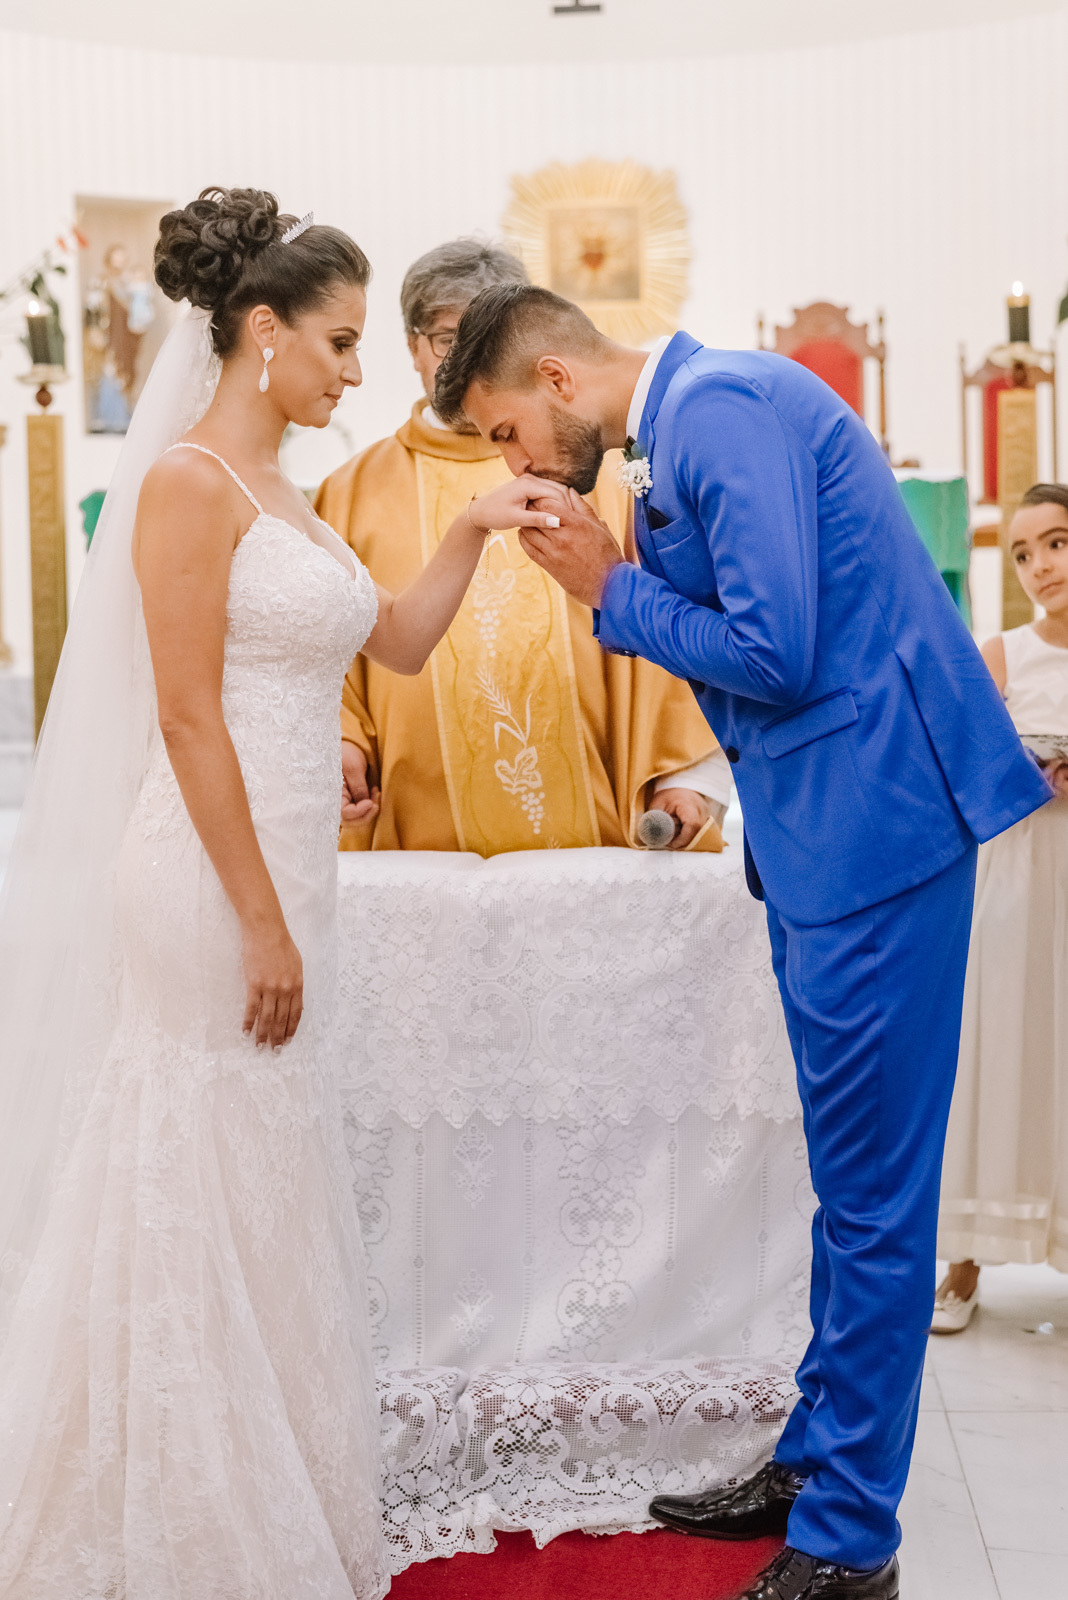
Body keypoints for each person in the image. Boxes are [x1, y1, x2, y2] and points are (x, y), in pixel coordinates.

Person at [431, 285, 1052, 1600]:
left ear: (555, 375)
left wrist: (612, 587)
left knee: (879, 1201)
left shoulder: (719, 412)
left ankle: (852, 1540)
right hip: (832, 833)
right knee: (849, 1186)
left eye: (503, 432)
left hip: (878, 826)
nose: (514, 464)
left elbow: (776, 651)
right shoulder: (700, 419)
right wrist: (629, 577)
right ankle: (821, 1456)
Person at [0, 189, 563, 1599]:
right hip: (207, 879)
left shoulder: (288, 497)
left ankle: (260, 1467)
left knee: (258, 1166)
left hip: (284, 861)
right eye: (339, 341)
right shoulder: (190, 482)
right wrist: (258, 916)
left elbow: (396, 644)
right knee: (189, 1153)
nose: (357, 372)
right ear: (261, 334)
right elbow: (190, 720)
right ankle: (172, 1506)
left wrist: (482, 523)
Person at [316, 238, 728, 855]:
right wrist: (343, 740)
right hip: (415, 832)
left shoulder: (600, 475)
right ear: (410, 347)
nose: (466, 364)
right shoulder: (349, 493)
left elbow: (653, 614)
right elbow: (327, 647)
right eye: (449, 340)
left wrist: (679, 775)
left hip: (593, 826)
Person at [933, 483, 1068, 1332]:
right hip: (1019, 874)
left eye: (1054, 543)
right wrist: (1029, 776)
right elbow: (961, 776)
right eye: (1021, 554)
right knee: (999, 1048)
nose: (1038, 567)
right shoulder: (1001, 655)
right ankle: (965, 1258)